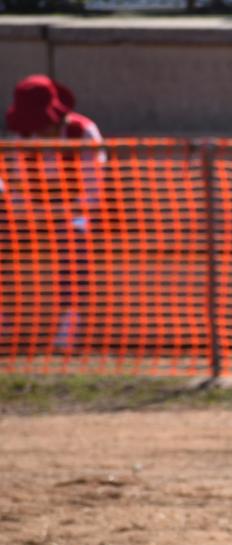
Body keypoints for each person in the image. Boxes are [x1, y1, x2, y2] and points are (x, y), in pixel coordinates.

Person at [5, 74, 104, 352]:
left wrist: (53, 211)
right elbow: (18, 189)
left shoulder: (83, 133)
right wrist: (25, 207)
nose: (39, 132)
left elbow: (91, 197)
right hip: (34, 216)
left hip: (76, 216)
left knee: (73, 234)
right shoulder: (22, 138)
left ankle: (70, 321)